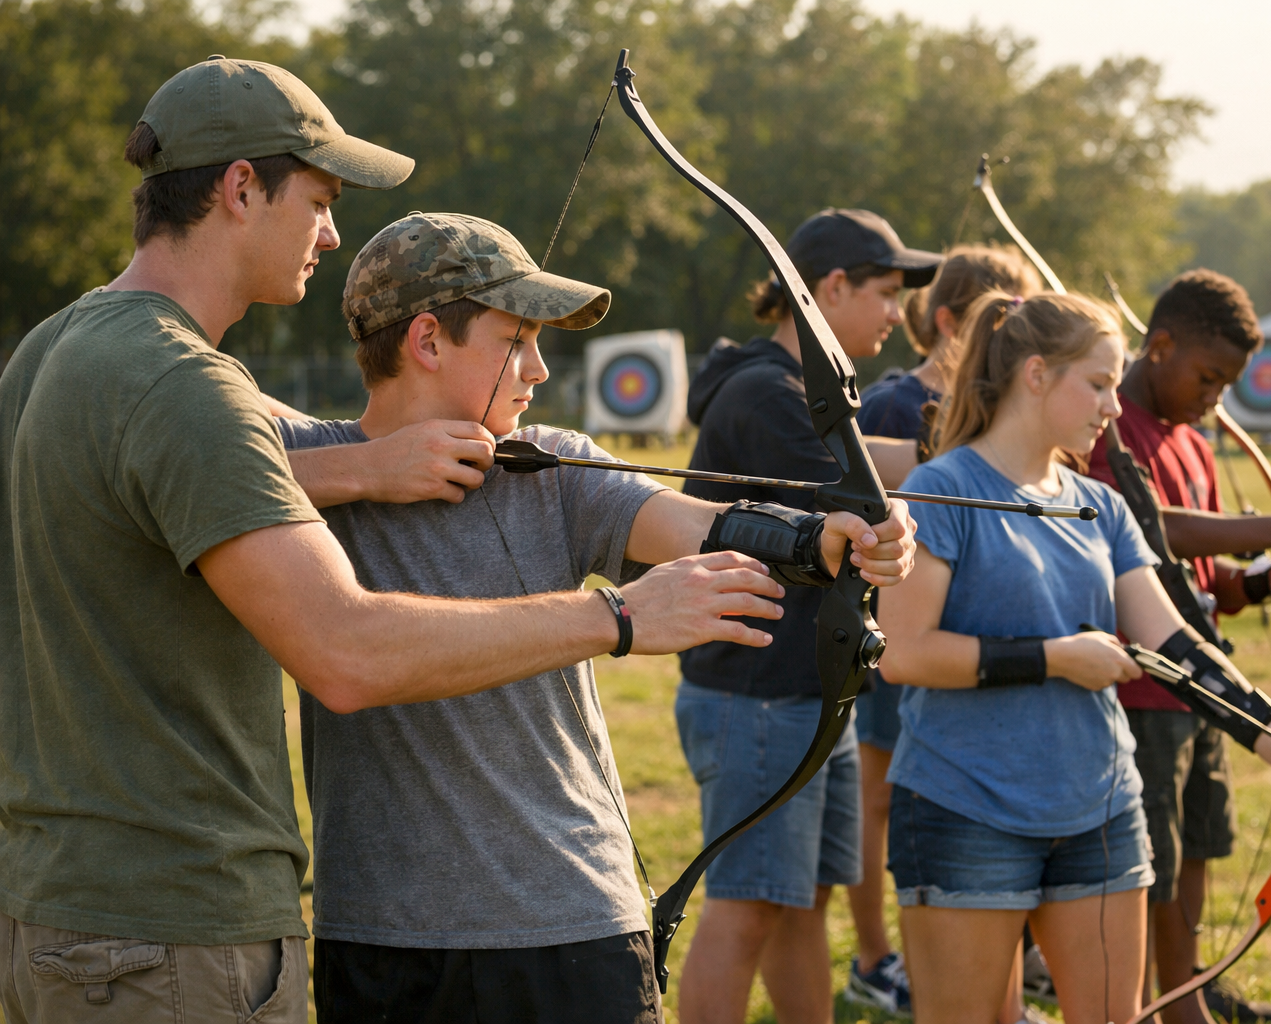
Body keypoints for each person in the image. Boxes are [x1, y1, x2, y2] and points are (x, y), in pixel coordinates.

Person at [0, 59, 896, 1024]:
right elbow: (331, 629)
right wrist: (619, 615)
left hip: (545, 922)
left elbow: (703, 523)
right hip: (279, 930)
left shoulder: (58, 352)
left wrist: (824, 536)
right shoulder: (222, 407)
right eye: (319, 198)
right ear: (241, 188)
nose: (330, 230)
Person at [266, 211, 917, 1023]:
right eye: (517, 340)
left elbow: (696, 523)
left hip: (574, 918)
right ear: (427, 341)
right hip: (385, 937)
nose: (539, 368)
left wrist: (823, 539)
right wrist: (364, 469)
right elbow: (170, 463)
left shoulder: (549, 463)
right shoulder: (290, 462)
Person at [875, 291, 1271, 1024]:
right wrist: (1053, 658)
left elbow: (1176, 645)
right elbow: (905, 655)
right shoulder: (943, 489)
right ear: (1035, 375)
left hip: (1099, 809)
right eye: (1098, 384)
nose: (1112, 405)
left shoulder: (1100, 505)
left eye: (1115, 384)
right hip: (963, 810)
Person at [674, 208, 941, 1024]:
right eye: (887, 293)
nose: (899, 316)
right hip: (757, 692)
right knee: (748, 904)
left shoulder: (798, 394)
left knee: (803, 901)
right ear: (830, 287)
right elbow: (863, 488)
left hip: (802, 686)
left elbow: (879, 460)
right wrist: (972, 436)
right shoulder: (768, 395)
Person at [1086, 269, 1271, 1024]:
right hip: (1144, 684)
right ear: (1159, 345)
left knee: (1197, 847)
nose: (1215, 399)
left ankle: (1185, 997)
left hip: (1204, 686)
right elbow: (1142, 528)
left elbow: (1201, 584)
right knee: (1154, 865)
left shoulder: (1193, 444)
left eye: (1228, 385)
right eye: (1208, 377)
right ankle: (1146, 1006)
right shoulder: (1107, 429)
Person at [845, 243, 1041, 1021]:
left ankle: (997, 973)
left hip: (974, 645)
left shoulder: (1007, 406)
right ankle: (876, 957)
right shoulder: (896, 405)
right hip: (905, 629)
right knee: (885, 798)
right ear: (953, 322)